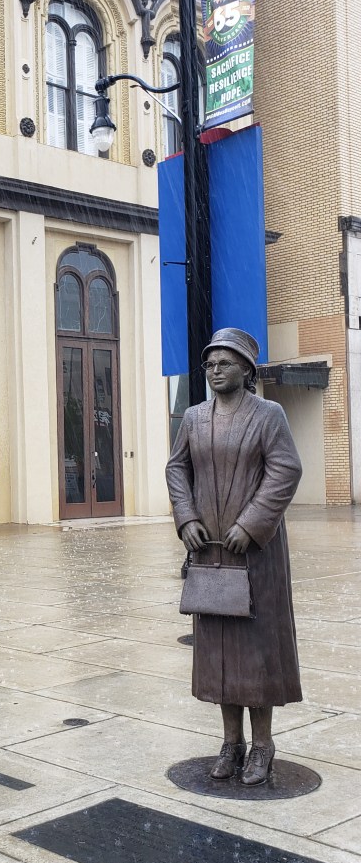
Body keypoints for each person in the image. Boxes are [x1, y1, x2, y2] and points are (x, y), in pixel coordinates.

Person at [165, 328, 302, 786]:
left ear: (246, 369)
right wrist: (186, 517)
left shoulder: (268, 415)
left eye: (224, 363)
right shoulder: (194, 417)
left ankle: (262, 745)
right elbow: (177, 468)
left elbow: (286, 470)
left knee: (257, 651)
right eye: (209, 364)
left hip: (256, 554)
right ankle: (231, 743)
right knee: (220, 651)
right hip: (210, 552)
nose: (215, 370)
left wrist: (251, 523)